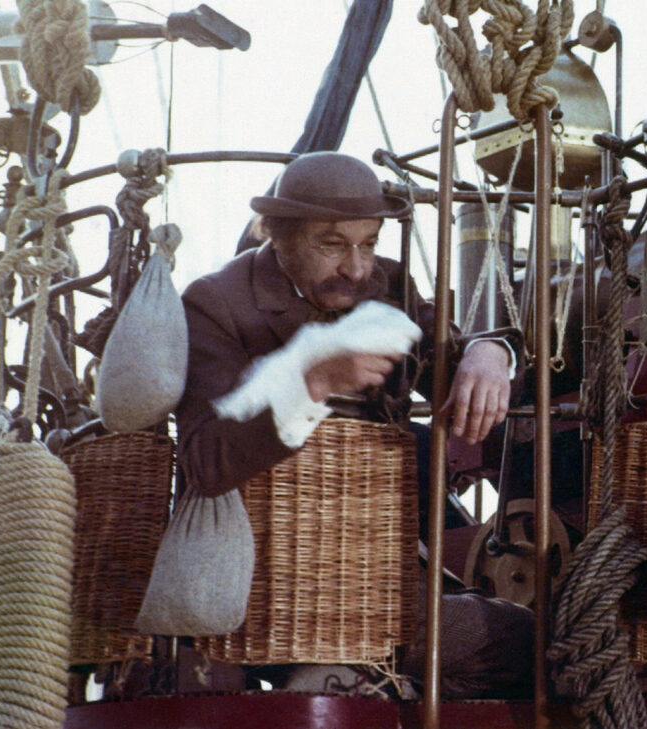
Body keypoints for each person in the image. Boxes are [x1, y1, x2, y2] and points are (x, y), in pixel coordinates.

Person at [171, 150, 532, 698]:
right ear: (278, 234)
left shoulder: (384, 285)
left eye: (369, 243)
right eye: (333, 244)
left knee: (529, 642)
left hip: (376, 577)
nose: (357, 268)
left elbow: (449, 360)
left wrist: (491, 352)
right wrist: (312, 383)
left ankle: (376, 689)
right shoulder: (215, 303)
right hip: (264, 585)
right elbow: (205, 463)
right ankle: (354, 682)